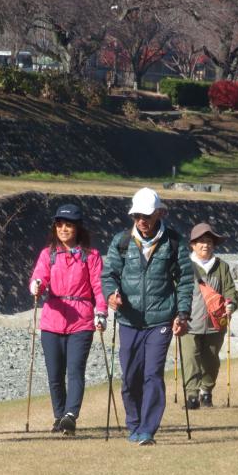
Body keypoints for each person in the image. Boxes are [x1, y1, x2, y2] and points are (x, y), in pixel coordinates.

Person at [101, 188, 194, 445]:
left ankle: (147, 430)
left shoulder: (173, 242)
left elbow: (185, 280)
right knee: (130, 376)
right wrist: (111, 294)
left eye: (148, 215)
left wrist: (182, 313)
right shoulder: (121, 241)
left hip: (161, 320)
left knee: (153, 374)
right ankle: (134, 424)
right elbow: (109, 275)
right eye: (137, 215)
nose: (142, 220)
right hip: (129, 320)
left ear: (159, 213)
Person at [28, 204, 107, 435]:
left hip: (81, 320)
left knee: (75, 370)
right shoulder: (48, 254)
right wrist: (36, 285)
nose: (64, 228)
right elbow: (39, 276)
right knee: (54, 373)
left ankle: (70, 415)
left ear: (77, 228)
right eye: (60, 224)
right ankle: (59, 416)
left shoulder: (91, 256)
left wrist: (100, 312)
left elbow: (98, 287)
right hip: (53, 319)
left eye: (69, 224)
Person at [180, 223, 238, 409]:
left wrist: (231, 303)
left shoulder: (222, 266)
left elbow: (230, 290)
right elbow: (176, 290)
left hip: (216, 323)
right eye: (201, 242)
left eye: (209, 242)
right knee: (190, 358)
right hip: (188, 323)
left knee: (211, 360)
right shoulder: (184, 266)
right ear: (192, 245)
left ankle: (206, 391)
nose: (205, 245)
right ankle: (191, 395)